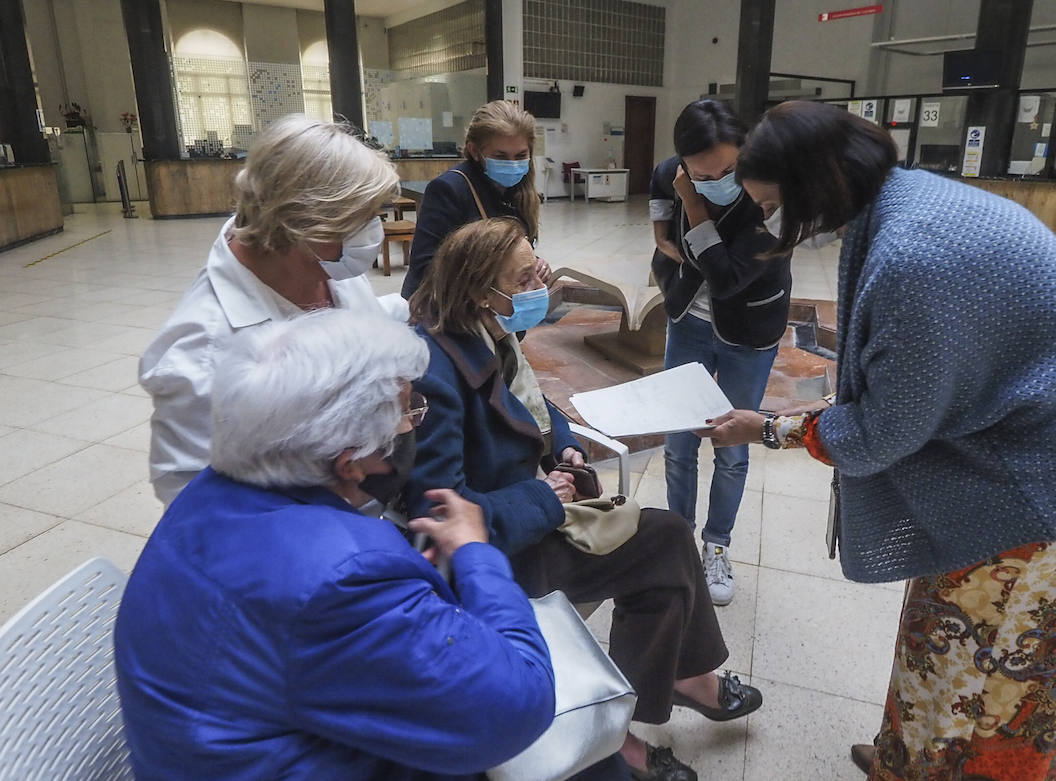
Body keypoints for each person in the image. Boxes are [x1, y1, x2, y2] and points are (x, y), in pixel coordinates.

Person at [703, 101, 1056, 781]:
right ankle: (909, 752)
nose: (771, 220)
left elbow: (883, 430)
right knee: (937, 639)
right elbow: (908, 388)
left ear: (814, 187)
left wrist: (771, 428)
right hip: (1043, 438)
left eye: (773, 203)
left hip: (1053, 474)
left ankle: (933, 763)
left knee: (999, 667)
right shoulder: (907, 199)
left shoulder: (914, 255)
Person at [116, 309, 557, 779]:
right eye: (410, 412)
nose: (415, 422)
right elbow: (520, 705)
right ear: (350, 462)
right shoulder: (345, 577)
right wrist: (477, 554)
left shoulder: (202, 498)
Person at [405, 217, 763, 781]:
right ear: (480, 288)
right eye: (524, 280)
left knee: (666, 541)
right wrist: (544, 495)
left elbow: (534, 405)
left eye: (536, 272)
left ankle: (661, 695)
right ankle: (636, 721)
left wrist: (564, 450)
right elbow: (440, 509)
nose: (538, 291)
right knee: (665, 547)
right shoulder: (433, 371)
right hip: (494, 557)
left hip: (527, 514)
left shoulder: (485, 331)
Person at [140, 114, 406, 507]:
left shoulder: (325, 262)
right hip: (300, 534)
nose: (372, 233)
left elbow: (348, 329)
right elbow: (194, 503)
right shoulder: (202, 354)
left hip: (365, 496)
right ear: (305, 223)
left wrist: (408, 310)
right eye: (361, 220)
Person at [648, 99, 793, 606]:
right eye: (702, 174)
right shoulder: (671, 172)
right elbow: (662, 229)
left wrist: (693, 205)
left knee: (731, 446)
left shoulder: (773, 193)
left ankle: (717, 546)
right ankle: (678, 539)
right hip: (689, 319)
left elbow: (729, 280)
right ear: (683, 162)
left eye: (730, 170)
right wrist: (675, 238)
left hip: (749, 327)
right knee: (679, 442)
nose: (719, 180)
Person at [402, 100, 550, 298]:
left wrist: (533, 264)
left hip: (491, 309)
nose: (513, 165)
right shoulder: (449, 189)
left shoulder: (519, 191)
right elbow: (425, 269)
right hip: (442, 310)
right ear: (474, 151)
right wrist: (497, 274)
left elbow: (512, 249)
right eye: (501, 156)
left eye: (521, 155)